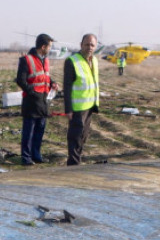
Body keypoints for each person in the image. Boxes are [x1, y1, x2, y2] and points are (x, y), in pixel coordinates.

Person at [15, 33, 59, 165]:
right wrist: (31, 92)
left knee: (40, 129)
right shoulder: (26, 60)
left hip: (44, 100)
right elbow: (20, 80)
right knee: (29, 131)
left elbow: (44, 76)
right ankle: (26, 157)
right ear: (43, 46)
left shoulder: (45, 60)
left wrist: (52, 83)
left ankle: (36, 155)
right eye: (49, 46)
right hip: (31, 101)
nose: (50, 49)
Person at [63, 34, 100, 166]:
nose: (89, 47)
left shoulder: (94, 61)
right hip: (77, 107)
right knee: (75, 137)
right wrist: (68, 109)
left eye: (92, 45)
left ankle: (77, 160)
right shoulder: (72, 61)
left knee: (83, 137)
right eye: (87, 44)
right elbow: (66, 87)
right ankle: (73, 164)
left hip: (89, 105)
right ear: (81, 45)